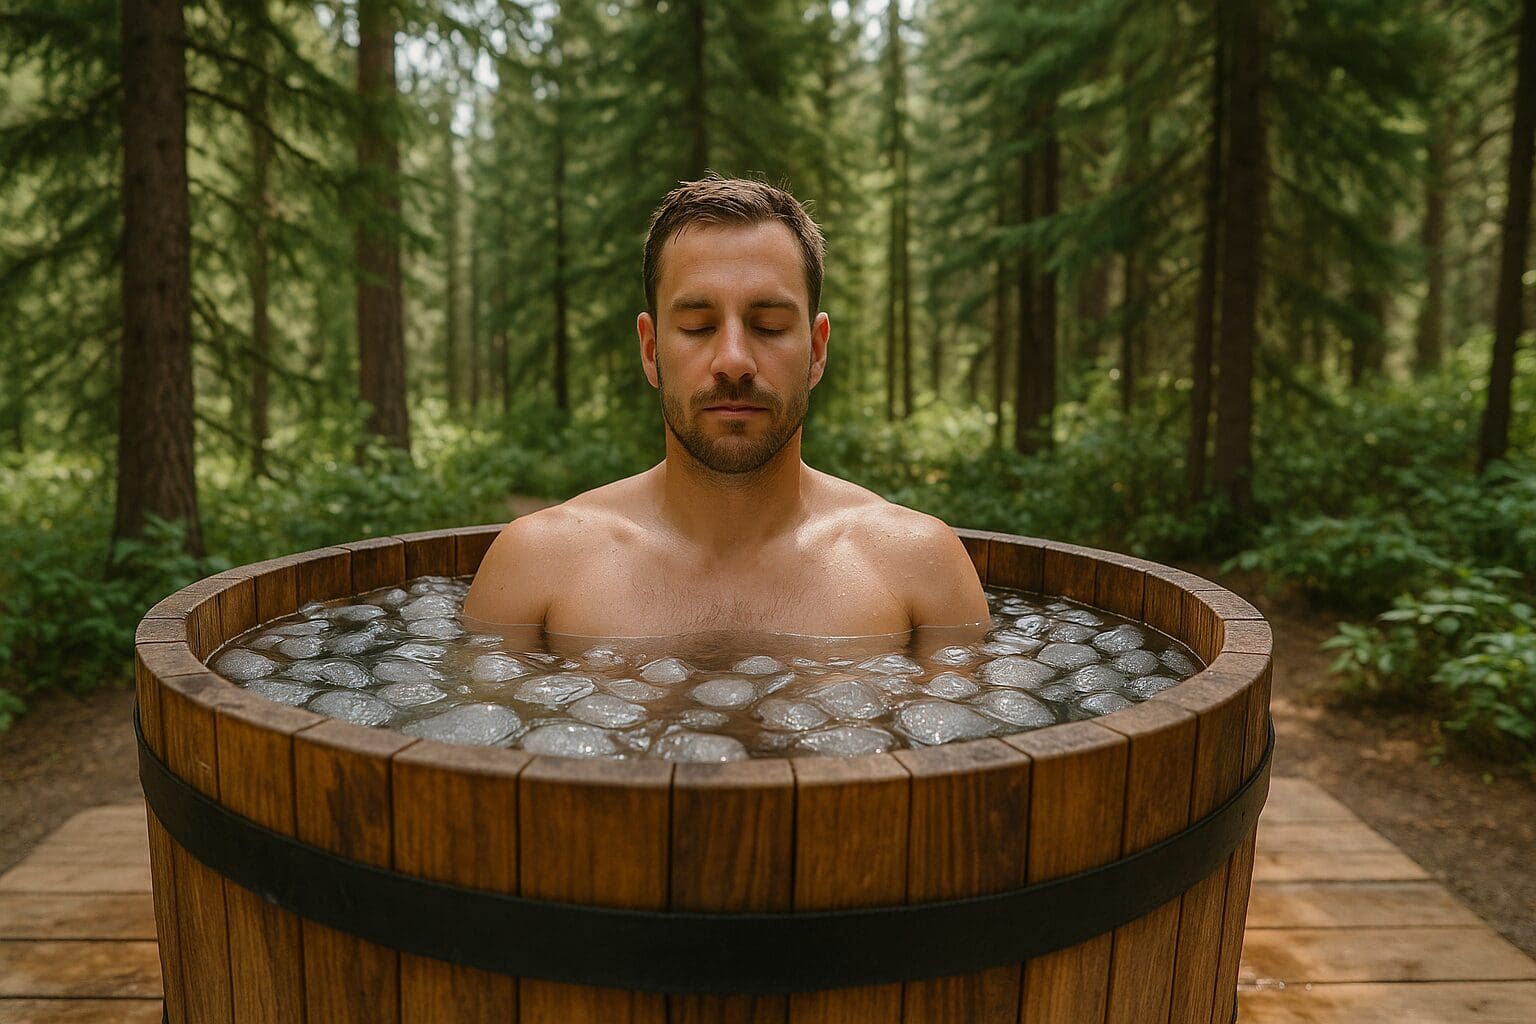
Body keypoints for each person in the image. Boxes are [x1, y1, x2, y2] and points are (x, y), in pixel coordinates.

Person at [463, 175, 989, 643]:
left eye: (769, 326)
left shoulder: (920, 568)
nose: (734, 361)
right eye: (698, 326)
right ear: (651, 351)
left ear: (817, 350)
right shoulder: (537, 567)